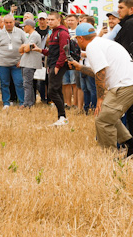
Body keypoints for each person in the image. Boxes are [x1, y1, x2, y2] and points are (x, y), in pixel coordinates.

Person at [68, 23, 133, 155]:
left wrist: (100, 98)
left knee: (102, 119)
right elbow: (99, 71)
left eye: (76, 40)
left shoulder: (92, 47)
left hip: (124, 85)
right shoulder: (100, 43)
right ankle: (130, 145)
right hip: (126, 83)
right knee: (109, 116)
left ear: (81, 38)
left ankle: (111, 155)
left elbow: (101, 73)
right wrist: (80, 68)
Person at [38, 11, 71, 126]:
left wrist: (57, 66)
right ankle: (62, 117)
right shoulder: (53, 32)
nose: (49, 21)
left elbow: (63, 52)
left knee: (52, 91)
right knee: (56, 91)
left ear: (58, 20)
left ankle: (62, 116)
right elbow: (52, 52)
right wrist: (40, 50)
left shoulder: (62, 33)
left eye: (52, 19)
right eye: (48, 19)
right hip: (52, 64)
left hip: (58, 66)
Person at [0, 14, 26, 109]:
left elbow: (26, 47)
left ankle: (22, 102)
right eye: (6, 22)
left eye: (10, 22)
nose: (9, 24)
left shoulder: (20, 32)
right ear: (3, 23)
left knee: (19, 83)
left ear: (14, 22)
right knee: (4, 83)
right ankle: (6, 102)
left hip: (16, 63)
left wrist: (22, 60)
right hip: (2, 64)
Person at [19, 19, 43, 108]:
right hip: (27, 62)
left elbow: (26, 49)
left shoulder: (35, 36)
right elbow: (20, 49)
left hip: (30, 63)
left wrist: (23, 47)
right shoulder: (30, 36)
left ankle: (27, 103)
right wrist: (23, 47)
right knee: (28, 84)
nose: (23, 28)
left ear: (29, 26)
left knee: (27, 84)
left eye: (24, 26)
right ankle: (30, 102)